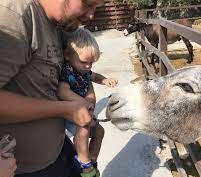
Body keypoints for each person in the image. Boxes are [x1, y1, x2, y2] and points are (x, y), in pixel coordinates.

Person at [0, 0, 104, 176]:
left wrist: (88, 98)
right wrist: (65, 109)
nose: (91, 15)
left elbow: (77, 67)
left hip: (58, 150)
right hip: (25, 168)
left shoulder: (61, 24)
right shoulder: (14, 16)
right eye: (87, 3)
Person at [58, 28, 117, 177]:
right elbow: (62, 91)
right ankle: (83, 162)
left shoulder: (83, 70)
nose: (88, 67)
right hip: (71, 110)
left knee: (99, 131)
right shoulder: (68, 71)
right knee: (83, 127)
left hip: (83, 108)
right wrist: (83, 102)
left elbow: (94, 76)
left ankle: (91, 160)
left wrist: (104, 80)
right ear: (67, 56)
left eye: (91, 63)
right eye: (85, 62)